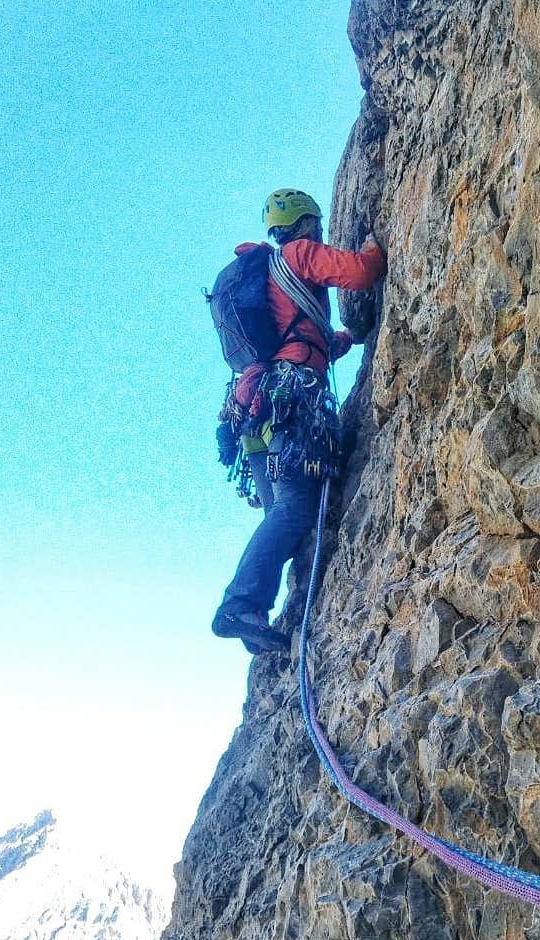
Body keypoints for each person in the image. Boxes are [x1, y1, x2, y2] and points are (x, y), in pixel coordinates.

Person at [212, 189, 386, 654]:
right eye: (317, 223)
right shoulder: (298, 254)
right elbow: (362, 272)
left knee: (281, 514)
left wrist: (344, 340)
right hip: (289, 409)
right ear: (306, 222)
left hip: (254, 421)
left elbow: (304, 339)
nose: (320, 230)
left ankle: (250, 614)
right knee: (294, 510)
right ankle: (239, 604)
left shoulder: (269, 276)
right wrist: (377, 241)